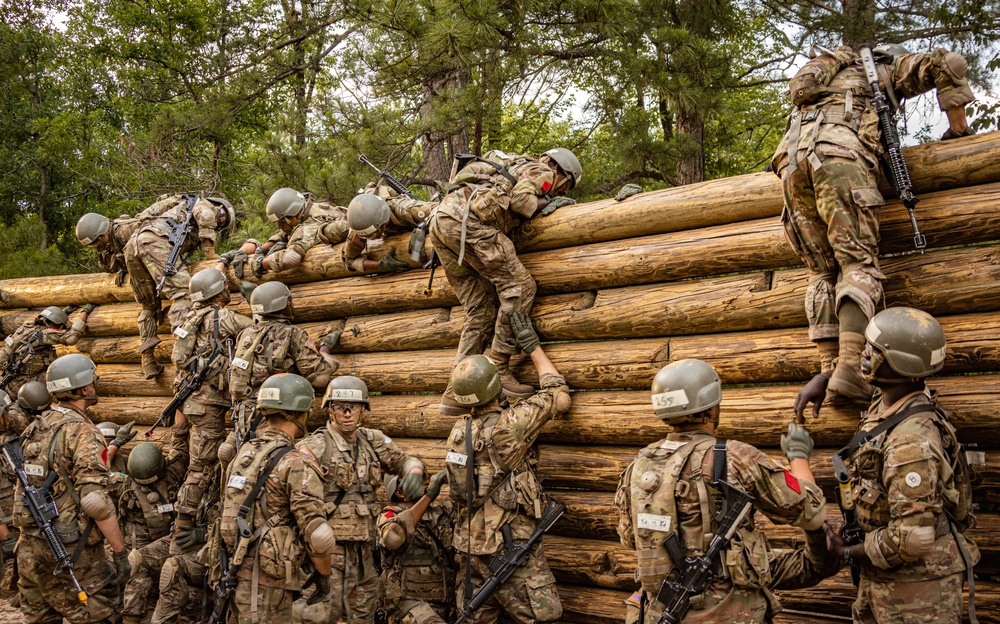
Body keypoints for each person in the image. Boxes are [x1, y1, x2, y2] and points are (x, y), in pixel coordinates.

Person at [771, 44, 976, 416]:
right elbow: (948, 62)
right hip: (839, 155)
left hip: (791, 160)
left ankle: (828, 370)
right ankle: (851, 367)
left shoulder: (832, 73)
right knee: (856, 263)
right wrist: (958, 129)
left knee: (823, 270)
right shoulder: (886, 67)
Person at [614, 359, 829, 623]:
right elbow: (811, 510)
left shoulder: (639, 465)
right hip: (727, 613)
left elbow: (630, 537)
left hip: (662, 612)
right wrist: (798, 457)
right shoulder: (733, 456)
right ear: (712, 405)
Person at [825, 307, 979, 623]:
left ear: (900, 363)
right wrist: (822, 379)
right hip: (886, 580)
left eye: (874, 350)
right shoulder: (891, 399)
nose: (864, 355)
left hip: (916, 594)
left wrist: (848, 552)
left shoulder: (911, 442)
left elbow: (913, 538)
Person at [429, 148, 582, 413]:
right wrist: (548, 203)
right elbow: (521, 202)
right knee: (520, 287)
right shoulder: (543, 171)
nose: (562, 192)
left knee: (481, 310)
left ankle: (457, 389)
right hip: (469, 224)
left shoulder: (512, 165)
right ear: (561, 171)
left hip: (442, 221)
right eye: (566, 186)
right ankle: (498, 365)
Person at [444, 312, 571, 623]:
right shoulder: (510, 425)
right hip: (511, 545)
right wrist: (532, 346)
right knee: (544, 618)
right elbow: (559, 396)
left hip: (472, 547)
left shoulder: (459, 431)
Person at [295, 374, 425, 623]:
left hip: (364, 552)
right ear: (329, 410)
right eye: (340, 407)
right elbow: (298, 496)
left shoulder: (372, 441)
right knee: (319, 615)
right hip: (328, 552)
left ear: (363, 409)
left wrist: (414, 471)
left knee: (364, 613)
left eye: (353, 407)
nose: (347, 413)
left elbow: (404, 460)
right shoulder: (316, 446)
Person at [12, 354, 130, 623]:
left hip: (29, 547)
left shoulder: (38, 425)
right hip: (69, 550)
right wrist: (120, 552)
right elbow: (94, 502)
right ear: (84, 387)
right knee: (99, 615)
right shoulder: (82, 431)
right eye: (92, 380)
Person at [217, 373, 335, 624]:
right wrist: (323, 577)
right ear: (299, 412)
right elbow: (318, 535)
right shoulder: (296, 462)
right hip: (267, 588)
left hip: (231, 576)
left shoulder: (244, 453)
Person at [77, 195, 236, 379]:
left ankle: (148, 359)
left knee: (148, 307)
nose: (221, 220)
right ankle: (184, 353)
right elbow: (206, 214)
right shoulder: (202, 203)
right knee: (183, 293)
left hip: (134, 246)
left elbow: (145, 218)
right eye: (222, 216)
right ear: (219, 205)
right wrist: (211, 254)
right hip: (154, 242)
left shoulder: (163, 212)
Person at [169, 267, 251, 548]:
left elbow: (179, 357)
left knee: (200, 460)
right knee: (201, 466)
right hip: (209, 403)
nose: (229, 290)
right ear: (217, 293)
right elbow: (256, 329)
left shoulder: (189, 318)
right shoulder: (223, 317)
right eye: (225, 286)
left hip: (192, 404)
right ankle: (182, 528)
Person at [220, 280, 338, 463]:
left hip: (244, 417)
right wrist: (326, 352)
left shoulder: (246, 334)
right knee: (286, 463)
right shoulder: (293, 334)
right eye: (289, 300)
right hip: (278, 418)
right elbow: (319, 377)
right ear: (281, 304)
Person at [116, 438, 189, 624]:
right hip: (137, 548)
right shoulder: (122, 485)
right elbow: (95, 472)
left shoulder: (173, 472)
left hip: (169, 544)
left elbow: (180, 444)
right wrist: (114, 445)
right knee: (135, 566)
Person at [375, 470, 455, 624]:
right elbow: (393, 538)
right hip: (407, 605)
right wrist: (429, 496)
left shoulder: (443, 513)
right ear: (400, 492)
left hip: (448, 603)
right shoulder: (389, 516)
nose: (425, 481)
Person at [219, 187, 348, 278]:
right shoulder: (310, 210)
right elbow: (286, 234)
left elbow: (290, 258)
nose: (280, 226)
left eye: (281, 222)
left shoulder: (308, 227)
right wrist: (263, 248)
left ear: (291, 216)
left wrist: (260, 264)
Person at [0, 305, 94, 396]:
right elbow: (71, 338)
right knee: (65, 379)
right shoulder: (44, 335)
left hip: (11, 383)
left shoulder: (25, 329)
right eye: (60, 326)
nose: (59, 330)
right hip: (26, 385)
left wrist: (63, 313)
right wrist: (84, 312)